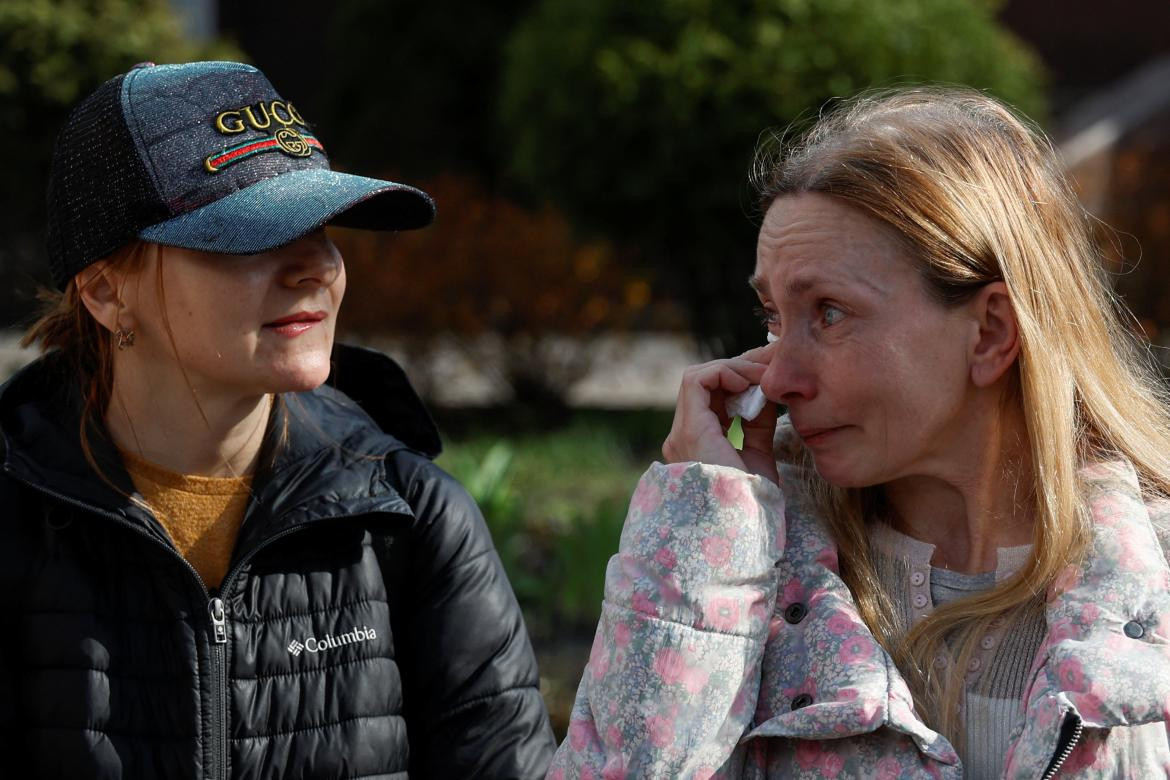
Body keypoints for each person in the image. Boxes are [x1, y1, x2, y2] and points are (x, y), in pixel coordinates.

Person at [549, 87, 1170, 778]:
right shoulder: (748, 574)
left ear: (990, 331)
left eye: (830, 314)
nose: (778, 377)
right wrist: (703, 544)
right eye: (775, 316)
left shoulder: (1154, 586)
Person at [0, 60, 555, 778]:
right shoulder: (13, 521)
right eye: (253, 236)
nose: (317, 267)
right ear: (107, 293)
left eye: (325, 226)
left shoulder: (408, 517)